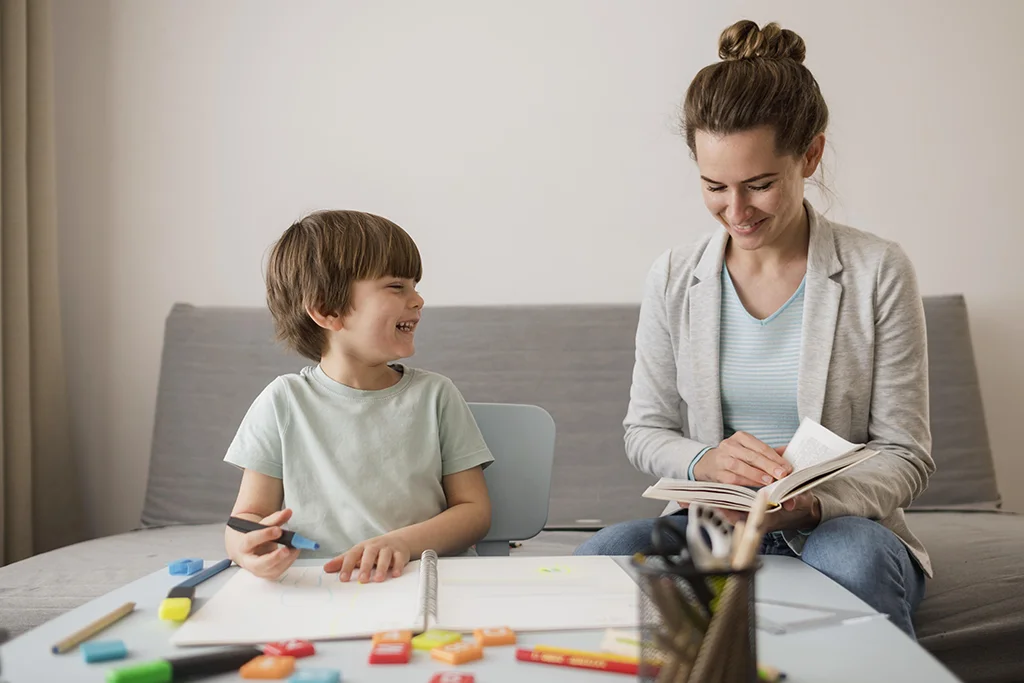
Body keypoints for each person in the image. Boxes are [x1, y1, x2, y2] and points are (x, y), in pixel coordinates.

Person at [574, 19, 933, 639]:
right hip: (712, 531)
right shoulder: (674, 276)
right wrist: (705, 459)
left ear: (810, 155)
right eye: (715, 187)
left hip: (835, 530)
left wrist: (812, 503)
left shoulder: (878, 270)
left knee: (853, 557)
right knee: (599, 558)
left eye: (760, 185)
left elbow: (905, 454)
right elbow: (645, 430)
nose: (736, 212)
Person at [223, 210, 494, 583]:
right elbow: (246, 518)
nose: (418, 300)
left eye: (414, 285)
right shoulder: (282, 402)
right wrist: (249, 548)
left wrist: (401, 543)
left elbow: (474, 511)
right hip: (321, 585)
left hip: (421, 578)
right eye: (397, 286)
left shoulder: (436, 395)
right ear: (327, 310)